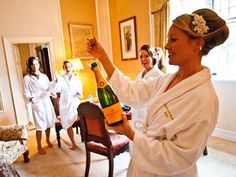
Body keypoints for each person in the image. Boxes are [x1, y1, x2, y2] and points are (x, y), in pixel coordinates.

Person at [87, 8, 229, 177]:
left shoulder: (204, 99)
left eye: (174, 39)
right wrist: (103, 57)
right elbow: (132, 91)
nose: (166, 46)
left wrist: (130, 133)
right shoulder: (166, 80)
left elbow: (179, 158)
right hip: (142, 167)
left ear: (197, 43)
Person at [23, 56, 56, 154]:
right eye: (33, 64)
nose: (35, 66)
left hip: (46, 102)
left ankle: (47, 140)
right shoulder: (27, 78)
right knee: (39, 126)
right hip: (37, 103)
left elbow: (49, 87)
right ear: (30, 66)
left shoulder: (44, 76)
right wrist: (31, 98)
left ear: (39, 64)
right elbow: (25, 93)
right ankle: (39, 145)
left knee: (49, 123)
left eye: (37, 64)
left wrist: (50, 92)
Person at [129, 44, 163, 132]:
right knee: (136, 140)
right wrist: (132, 110)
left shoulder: (159, 75)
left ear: (152, 57)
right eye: (141, 57)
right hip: (137, 115)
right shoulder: (139, 75)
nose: (143, 59)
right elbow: (135, 94)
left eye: (146, 56)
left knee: (146, 142)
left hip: (150, 116)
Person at [53, 61, 83, 150]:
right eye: (66, 67)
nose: (68, 69)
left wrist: (78, 93)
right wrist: (56, 80)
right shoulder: (61, 78)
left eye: (69, 67)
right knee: (68, 124)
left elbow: (81, 93)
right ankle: (73, 143)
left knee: (82, 120)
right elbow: (57, 89)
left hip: (75, 102)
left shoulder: (77, 79)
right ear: (63, 68)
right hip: (65, 103)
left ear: (72, 68)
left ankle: (85, 139)